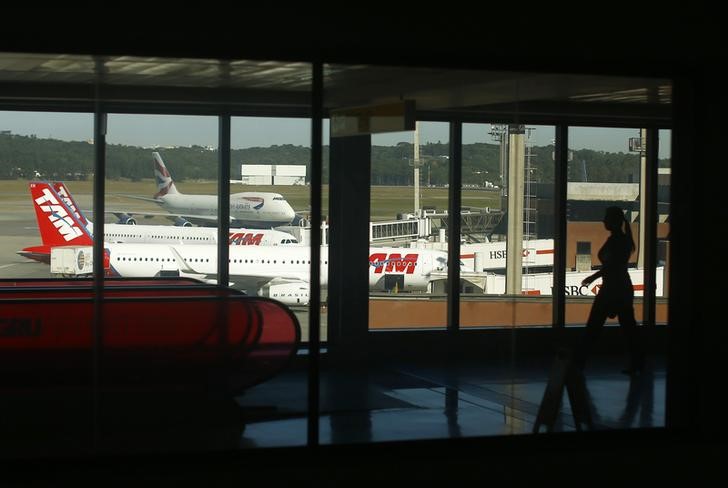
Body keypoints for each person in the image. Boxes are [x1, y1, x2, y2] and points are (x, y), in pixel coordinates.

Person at [574, 206, 644, 375]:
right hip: (620, 289)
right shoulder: (622, 240)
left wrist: (592, 278)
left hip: (612, 289)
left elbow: (612, 266)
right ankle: (637, 363)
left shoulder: (617, 241)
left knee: (593, 328)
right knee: (628, 329)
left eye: (607, 218)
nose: (604, 221)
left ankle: (578, 365)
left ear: (614, 221)